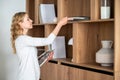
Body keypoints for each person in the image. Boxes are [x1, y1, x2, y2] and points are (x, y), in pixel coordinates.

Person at [10, 12, 68, 80]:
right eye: (28, 19)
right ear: (20, 23)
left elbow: (32, 63)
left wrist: (45, 59)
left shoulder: (25, 39)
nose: (31, 21)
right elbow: (48, 40)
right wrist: (60, 24)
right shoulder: (22, 39)